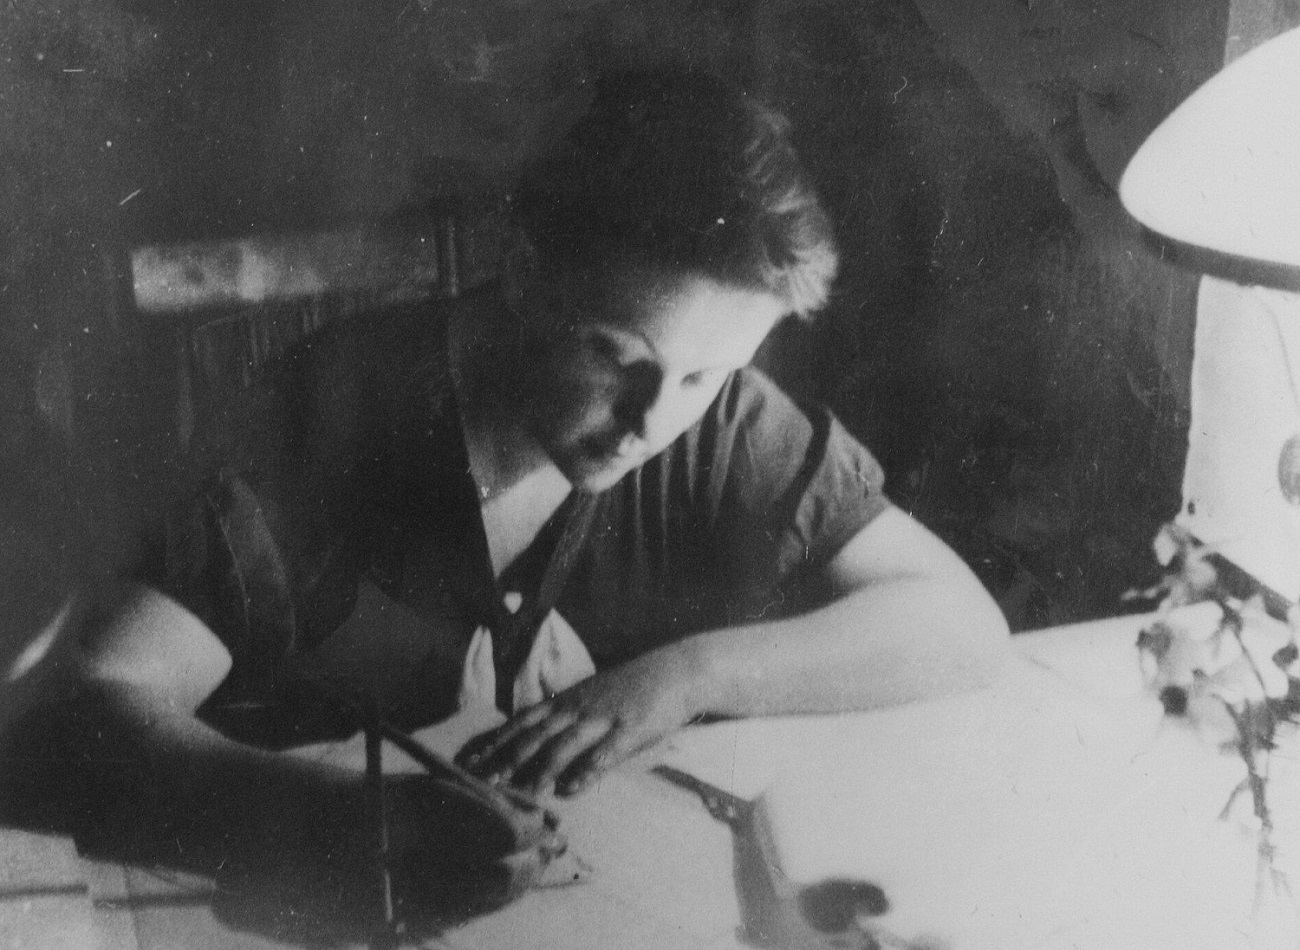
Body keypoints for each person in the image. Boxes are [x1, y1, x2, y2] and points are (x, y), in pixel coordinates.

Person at [51, 68, 1008, 911]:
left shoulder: (725, 425)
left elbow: (956, 623)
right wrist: (347, 816)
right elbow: (90, 707)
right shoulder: (321, 416)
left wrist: (686, 678)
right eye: (616, 356)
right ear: (523, 273)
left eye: (704, 375)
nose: (651, 420)